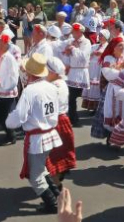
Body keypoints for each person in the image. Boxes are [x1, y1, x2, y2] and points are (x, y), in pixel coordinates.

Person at [6, 53, 62, 213]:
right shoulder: (51, 86)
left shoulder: (30, 91)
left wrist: (9, 121)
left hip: (37, 138)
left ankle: (53, 204)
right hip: (50, 134)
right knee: (41, 168)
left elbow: (19, 117)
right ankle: (57, 197)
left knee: (34, 176)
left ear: (29, 72)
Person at [45, 57, 76, 190]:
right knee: (61, 152)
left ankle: (56, 186)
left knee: (52, 156)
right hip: (63, 120)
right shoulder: (62, 83)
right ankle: (60, 173)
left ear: (53, 72)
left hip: (54, 123)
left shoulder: (53, 87)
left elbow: (48, 109)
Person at [62, 23, 92, 126]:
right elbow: (66, 56)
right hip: (72, 72)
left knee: (75, 96)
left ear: (80, 32)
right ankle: (73, 118)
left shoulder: (86, 42)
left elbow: (83, 56)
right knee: (71, 97)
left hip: (81, 72)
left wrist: (73, 49)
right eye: (73, 31)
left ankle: (74, 117)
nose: (73, 33)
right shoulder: (70, 41)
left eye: (75, 31)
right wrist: (66, 56)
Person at [0, 33, 19, 145]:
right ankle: (10, 134)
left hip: (7, 92)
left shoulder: (9, 58)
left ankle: (11, 135)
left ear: (4, 44)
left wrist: (2, 83)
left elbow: (13, 76)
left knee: (1, 114)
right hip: (0, 91)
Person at [83, 29, 109, 111]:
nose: (100, 37)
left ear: (106, 37)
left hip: (100, 68)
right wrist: (93, 53)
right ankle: (91, 106)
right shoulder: (95, 46)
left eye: (102, 36)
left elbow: (108, 56)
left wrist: (101, 54)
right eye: (100, 35)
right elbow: (88, 54)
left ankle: (97, 107)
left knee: (98, 86)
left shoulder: (108, 46)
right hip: (93, 68)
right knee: (91, 85)